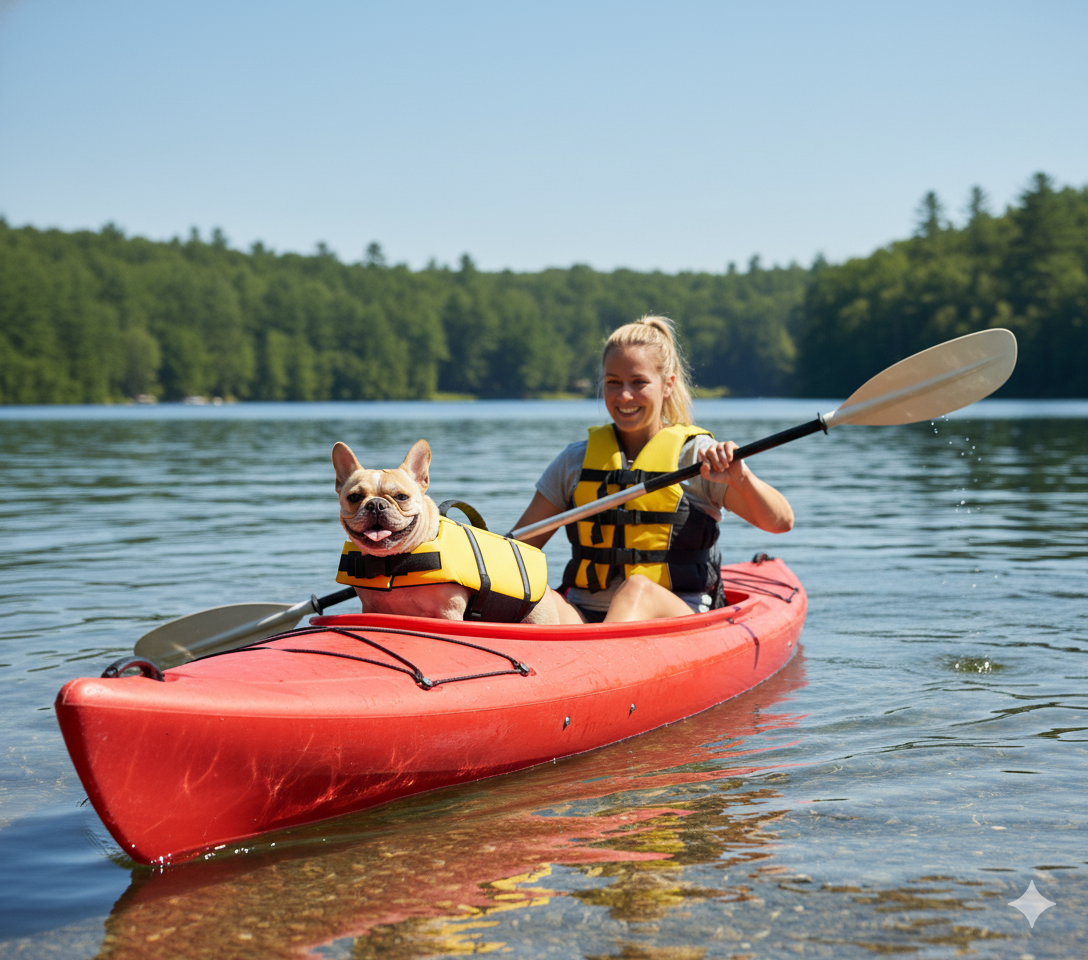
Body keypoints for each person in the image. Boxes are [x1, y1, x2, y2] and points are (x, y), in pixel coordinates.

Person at [512, 316, 794, 624]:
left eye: (639, 382)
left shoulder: (698, 459)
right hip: (584, 618)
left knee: (637, 591)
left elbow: (780, 522)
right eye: (613, 382)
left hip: (673, 618)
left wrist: (742, 479)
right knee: (534, 594)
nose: (624, 396)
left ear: (668, 384)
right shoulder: (573, 461)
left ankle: (604, 662)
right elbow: (517, 549)